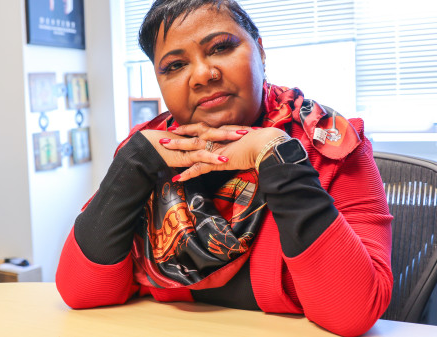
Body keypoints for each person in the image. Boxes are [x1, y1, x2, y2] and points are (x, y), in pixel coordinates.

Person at [56, 1, 393, 336]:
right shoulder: (150, 151)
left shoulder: (330, 144)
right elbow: (81, 292)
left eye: (220, 47)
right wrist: (132, 165)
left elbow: (352, 312)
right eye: (174, 65)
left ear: (260, 52)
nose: (203, 75)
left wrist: (277, 157)